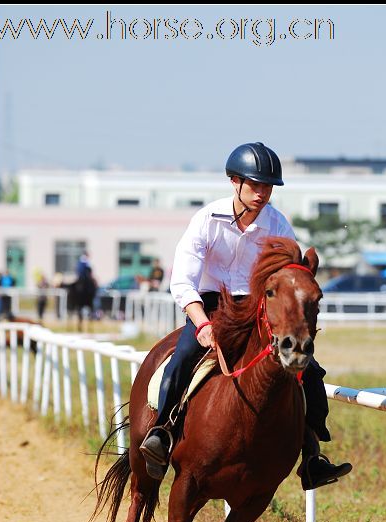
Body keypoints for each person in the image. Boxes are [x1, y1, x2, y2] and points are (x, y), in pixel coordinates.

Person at [139, 142, 352, 490]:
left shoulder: (278, 225)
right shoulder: (207, 219)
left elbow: (289, 278)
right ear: (234, 182)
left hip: (257, 310)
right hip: (209, 305)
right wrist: (202, 323)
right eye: (256, 185)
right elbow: (183, 280)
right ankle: (161, 431)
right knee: (182, 358)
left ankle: (312, 456)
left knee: (309, 370)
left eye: (268, 186)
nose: (262, 193)